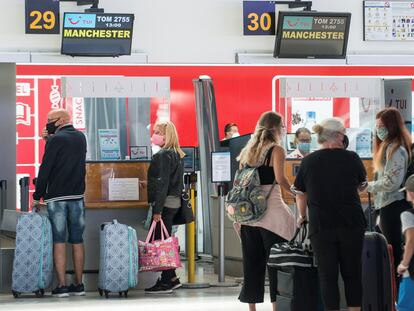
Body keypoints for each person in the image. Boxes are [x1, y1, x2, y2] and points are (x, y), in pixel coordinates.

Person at [294, 118, 367, 311]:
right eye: (344, 134)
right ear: (338, 136)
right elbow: (361, 186)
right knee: (352, 273)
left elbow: (300, 194)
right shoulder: (352, 158)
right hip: (351, 224)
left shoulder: (308, 161)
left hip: (321, 225)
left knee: (327, 276)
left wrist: (302, 216)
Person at [237, 111, 295, 311]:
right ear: (276, 129)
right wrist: (297, 194)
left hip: (248, 215)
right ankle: (276, 307)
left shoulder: (248, 150)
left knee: (252, 265)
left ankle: (252, 308)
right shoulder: (276, 150)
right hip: (272, 217)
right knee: (277, 265)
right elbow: (281, 179)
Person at [32, 109, 87, 298]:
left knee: (59, 240)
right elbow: (68, 157)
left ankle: (62, 285)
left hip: (56, 198)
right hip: (77, 196)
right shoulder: (81, 137)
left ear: (62, 120)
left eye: (50, 120)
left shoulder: (56, 140)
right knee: (78, 240)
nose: (48, 123)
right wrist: (49, 140)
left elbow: (46, 167)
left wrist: (37, 194)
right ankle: (79, 284)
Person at [366, 107, 411, 284]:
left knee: (394, 253)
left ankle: (397, 296)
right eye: (377, 126)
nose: (379, 130)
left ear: (392, 126)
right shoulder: (389, 147)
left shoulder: (396, 149)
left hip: (392, 205)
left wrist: (367, 186)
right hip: (387, 205)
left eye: (382, 126)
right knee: (391, 252)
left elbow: (391, 182)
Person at [144, 121, 185, 294]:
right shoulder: (176, 154)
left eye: (157, 132)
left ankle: (167, 281)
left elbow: (163, 184)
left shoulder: (162, 155)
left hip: (165, 204)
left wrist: (157, 211)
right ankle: (171, 278)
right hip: (174, 202)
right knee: (165, 242)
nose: (153, 134)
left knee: (162, 243)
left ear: (166, 135)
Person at [397, 175, 414, 311]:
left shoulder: (407, 215)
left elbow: (411, 240)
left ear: (411, 193)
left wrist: (404, 264)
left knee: (405, 307)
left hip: (412, 271)